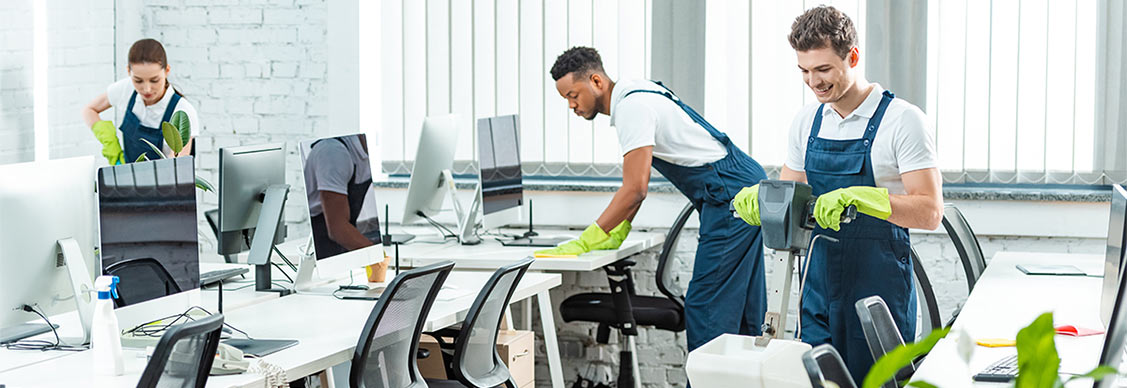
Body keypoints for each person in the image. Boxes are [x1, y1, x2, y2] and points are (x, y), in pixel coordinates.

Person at [732, 6, 943, 380]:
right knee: (819, 381)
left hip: (878, 291)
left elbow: (929, 212)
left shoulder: (902, 120)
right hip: (817, 286)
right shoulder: (806, 121)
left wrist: (867, 199)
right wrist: (764, 201)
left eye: (824, 69)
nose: (814, 82)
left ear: (853, 57)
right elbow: (791, 198)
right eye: (805, 71)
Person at [537, 47, 770, 352]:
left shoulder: (632, 108)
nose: (571, 105)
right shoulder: (638, 90)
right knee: (744, 306)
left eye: (573, 94)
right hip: (739, 183)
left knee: (706, 307)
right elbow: (637, 187)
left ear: (595, 81)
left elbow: (635, 189)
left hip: (731, 195)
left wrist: (587, 240)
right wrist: (617, 229)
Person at [81, 38, 199, 164]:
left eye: (154, 80)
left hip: (165, 181)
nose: (146, 89)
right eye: (138, 80)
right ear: (128, 71)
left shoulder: (182, 111)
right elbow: (89, 110)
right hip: (128, 177)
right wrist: (110, 144)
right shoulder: (125, 89)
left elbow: (178, 168)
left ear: (167, 71)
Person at [304, 134, 381, 259]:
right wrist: (376, 257)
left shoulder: (366, 152)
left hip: (344, 240)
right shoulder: (333, 152)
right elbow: (337, 229)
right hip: (322, 244)